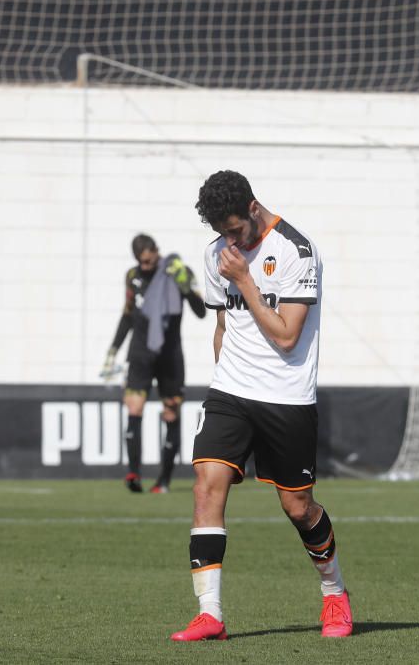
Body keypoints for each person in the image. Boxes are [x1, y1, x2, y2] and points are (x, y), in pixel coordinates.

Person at [172, 170, 351, 642]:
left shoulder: (297, 251)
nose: (228, 241)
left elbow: (288, 336)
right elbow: (223, 326)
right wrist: (219, 382)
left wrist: (246, 280)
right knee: (206, 485)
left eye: (234, 229)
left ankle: (334, 593)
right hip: (231, 391)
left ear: (253, 208)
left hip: (286, 398)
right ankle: (210, 614)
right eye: (220, 233)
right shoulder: (217, 254)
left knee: (299, 507)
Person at [101, 234, 206, 493]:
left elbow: (201, 311)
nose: (146, 267)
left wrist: (185, 286)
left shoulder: (178, 272)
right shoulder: (132, 276)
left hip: (170, 354)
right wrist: (113, 350)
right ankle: (133, 474)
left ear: (157, 252)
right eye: (141, 262)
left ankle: (164, 480)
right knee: (134, 408)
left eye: (149, 261)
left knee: (171, 411)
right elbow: (128, 315)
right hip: (140, 353)